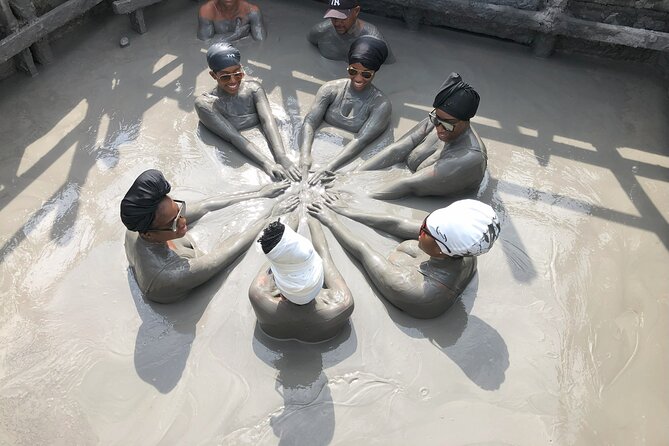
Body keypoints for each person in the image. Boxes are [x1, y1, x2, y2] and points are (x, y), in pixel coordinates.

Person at [120, 169, 295, 304]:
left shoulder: (138, 225)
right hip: (168, 284)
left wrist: (258, 193)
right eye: (174, 223)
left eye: (179, 210)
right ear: (148, 234)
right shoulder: (172, 275)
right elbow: (223, 254)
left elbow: (205, 206)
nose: (182, 221)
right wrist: (269, 219)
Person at [308, 197, 500, 318]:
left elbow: (362, 250)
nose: (421, 227)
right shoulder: (464, 249)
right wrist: (346, 211)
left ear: (441, 249)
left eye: (425, 229)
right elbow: (398, 224)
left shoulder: (412, 288)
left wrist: (330, 221)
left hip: (416, 289)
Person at [355, 73, 487, 199]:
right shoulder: (439, 120)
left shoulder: (469, 160)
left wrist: (358, 195)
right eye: (436, 119)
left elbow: (408, 185)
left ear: (465, 122)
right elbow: (397, 149)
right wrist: (355, 173)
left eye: (447, 125)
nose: (438, 128)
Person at [195, 43, 300, 181]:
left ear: (242, 70)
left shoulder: (253, 89)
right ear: (213, 75)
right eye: (225, 77)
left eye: (238, 74)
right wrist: (266, 164)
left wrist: (282, 157)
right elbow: (233, 137)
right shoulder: (206, 105)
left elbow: (267, 121)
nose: (233, 81)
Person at [299, 35, 392, 185]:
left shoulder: (381, 105)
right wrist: (304, 155)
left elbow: (361, 140)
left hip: (344, 161)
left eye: (366, 74)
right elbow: (310, 121)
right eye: (353, 71)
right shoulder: (330, 89)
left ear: (375, 72)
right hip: (318, 149)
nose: (358, 78)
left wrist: (329, 168)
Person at [249, 214, 354, 343]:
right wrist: (314, 220)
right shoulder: (343, 305)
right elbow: (324, 256)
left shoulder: (257, 296)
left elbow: (273, 262)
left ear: (279, 281)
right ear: (318, 273)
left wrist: (288, 228)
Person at [307, 0, 394, 64]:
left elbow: (391, 67)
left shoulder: (374, 39)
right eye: (333, 17)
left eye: (343, 18)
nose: (337, 23)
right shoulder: (320, 31)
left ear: (356, 11)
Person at [197, 0, 265, 42]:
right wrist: (236, 35)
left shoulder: (251, 11)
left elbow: (261, 40)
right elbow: (205, 41)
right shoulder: (207, 11)